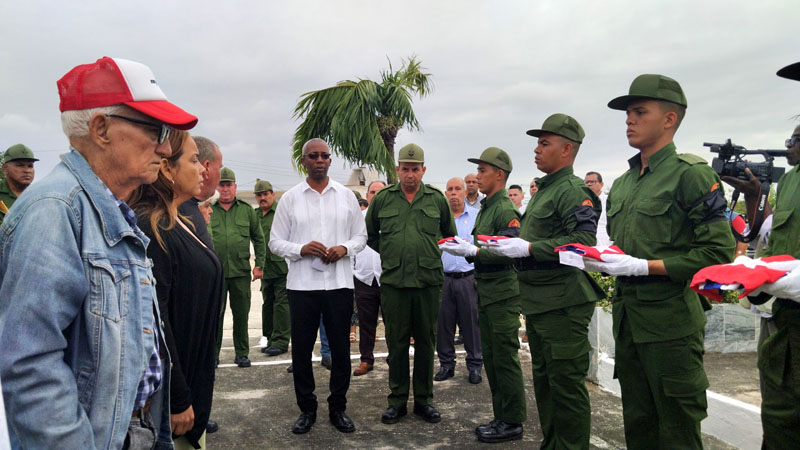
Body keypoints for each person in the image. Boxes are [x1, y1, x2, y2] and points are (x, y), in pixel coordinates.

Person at [0, 56, 197, 449]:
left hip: (135, 429)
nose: (163, 145)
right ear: (101, 129)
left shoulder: (110, 208)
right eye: (155, 128)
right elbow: (29, 367)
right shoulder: (54, 211)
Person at [589, 74, 734, 449]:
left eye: (639, 111)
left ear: (669, 120)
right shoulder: (623, 184)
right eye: (627, 113)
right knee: (639, 423)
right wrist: (607, 259)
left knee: (677, 429)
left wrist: (646, 266)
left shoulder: (691, 175)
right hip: (629, 322)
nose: (629, 120)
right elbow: (623, 244)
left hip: (670, 326)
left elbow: (717, 252)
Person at [485, 114, 604, 448]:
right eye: (538, 143)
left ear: (566, 150)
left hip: (563, 303)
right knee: (547, 385)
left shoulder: (571, 190)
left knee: (565, 389)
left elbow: (583, 240)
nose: (536, 150)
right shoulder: (547, 190)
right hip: (541, 302)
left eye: (544, 143)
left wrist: (529, 247)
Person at [722, 61, 800, 449]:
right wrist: (754, 197)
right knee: (781, 426)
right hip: (786, 330)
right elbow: (772, 235)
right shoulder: (793, 178)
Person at [129, 130, 223, 450]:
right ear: (168, 170)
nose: (203, 170)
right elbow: (157, 321)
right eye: (195, 160)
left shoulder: (178, 219)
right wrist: (177, 397)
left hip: (195, 384)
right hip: (175, 402)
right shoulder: (152, 226)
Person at [270, 138, 367, 434]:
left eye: (325, 155)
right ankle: (307, 409)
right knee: (301, 350)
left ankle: (338, 407)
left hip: (338, 284)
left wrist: (344, 248)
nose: (320, 160)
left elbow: (361, 237)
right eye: (314, 156)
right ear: (304, 161)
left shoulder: (347, 196)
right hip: (302, 286)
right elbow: (275, 242)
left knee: (339, 349)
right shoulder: (290, 199)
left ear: (330, 160)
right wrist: (301, 248)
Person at [366, 143, 457, 425]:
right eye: (405, 169)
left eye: (415, 169)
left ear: (423, 170)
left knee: (427, 341)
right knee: (396, 343)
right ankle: (396, 401)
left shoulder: (436, 200)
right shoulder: (383, 199)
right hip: (394, 282)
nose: (410, 174)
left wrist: (424, 253)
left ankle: (424, 401)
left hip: (428, 282)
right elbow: (370, 235)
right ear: (397, 170)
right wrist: (394, 254)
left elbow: (448, 236)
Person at [440, 147, 526, 443]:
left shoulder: (504, 209)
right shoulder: (490, 207)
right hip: (487, 292)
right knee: (492, 358)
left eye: (483, 171)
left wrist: (474, 251)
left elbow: (510, 253)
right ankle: (502, 416)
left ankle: (512, 420)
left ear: (499, 175)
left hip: (501, 295)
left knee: (504, 360)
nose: (477, 177)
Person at [210, 167, 267, 368]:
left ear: (235, 187)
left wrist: (259, 265)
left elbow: (259, 239)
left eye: (228, 185)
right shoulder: (209, 209)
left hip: (241, 272)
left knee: (241, 315)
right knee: (214, 316)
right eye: (221, 185)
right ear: (216, 187)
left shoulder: (246, 211)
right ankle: (212, 354)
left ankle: (242, 353)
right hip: (214, 274)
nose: (225, 189)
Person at [435, 177, 483, 385]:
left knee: (472, 325)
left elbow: (483, 248)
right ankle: (446, 364)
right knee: (443, 325)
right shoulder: (438, 218)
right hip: (443, 279)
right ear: (445, 194)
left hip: (468, 279)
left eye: (457, 189)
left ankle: (474, 366)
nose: (453, 193)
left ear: (465, 192)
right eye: (449, 189)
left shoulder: (476, 217)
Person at [353, 180, 387, 377]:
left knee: (393, 323)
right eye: (372, 192)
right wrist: (352, 274)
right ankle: (366, 359)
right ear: (367, 196)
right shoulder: (359, 219)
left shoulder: (393, 217)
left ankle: (394, 359)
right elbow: (351, 248)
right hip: (364, 277)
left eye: (380, 192)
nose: (376, 195)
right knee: (366, 322)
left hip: (388, 278)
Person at [254, 178, 291, 357]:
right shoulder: (254, 215)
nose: (263, 198)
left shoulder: (281, 212)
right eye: (259, 195)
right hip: (265, 268)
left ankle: (281, 341)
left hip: (282, 267)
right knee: (267, 304)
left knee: (282, 304)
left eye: (266, 194)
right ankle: (269, 338)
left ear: (272, 195)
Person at [178, 136, 222, 249]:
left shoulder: (189, 207)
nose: (200, 169)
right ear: (207, 167)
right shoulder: (178, 210)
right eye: (219, 168)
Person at [0, 144, 38, 226]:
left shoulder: (40, 196)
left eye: (30, 166)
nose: (27, 170)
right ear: (5, 169)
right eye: (20, 165)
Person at [584, 171, 611, 246]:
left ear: (601, 184)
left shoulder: (609, 201)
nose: (588, 184)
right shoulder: (582, 202)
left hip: (605, 242)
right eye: (586, 182)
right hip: (586, 240)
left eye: (592, 182)